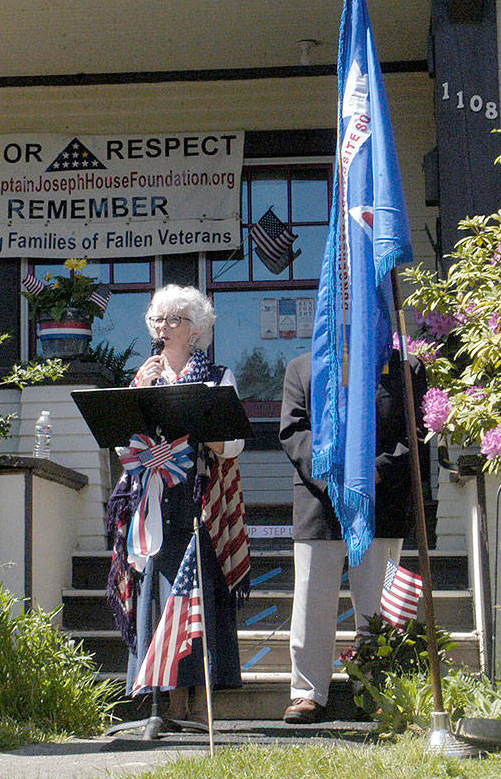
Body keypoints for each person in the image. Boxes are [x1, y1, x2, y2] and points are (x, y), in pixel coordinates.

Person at [105, 285, 249, 724]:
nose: (162, 328)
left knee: (198, 599)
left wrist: (197, 420)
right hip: (153, 505)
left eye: (173, 320)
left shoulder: (217, 377)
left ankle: (202, 710)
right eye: (157, 319)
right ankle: (165, 706)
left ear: (195, 330)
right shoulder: (143, 377)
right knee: (157, 599)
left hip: (200, 502)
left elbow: (234, 444)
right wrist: (141, 395)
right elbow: (121, 449)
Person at [278, 346, 424, 723]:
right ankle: (307, 693)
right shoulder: (301, 365)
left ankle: (376, 688)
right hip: (319, 502)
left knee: (379, 603)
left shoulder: (403, 367)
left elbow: (416, 434)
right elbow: (293, 431)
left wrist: (372, 473)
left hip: (381, 501)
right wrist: (333, 474)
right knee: (312, 602)